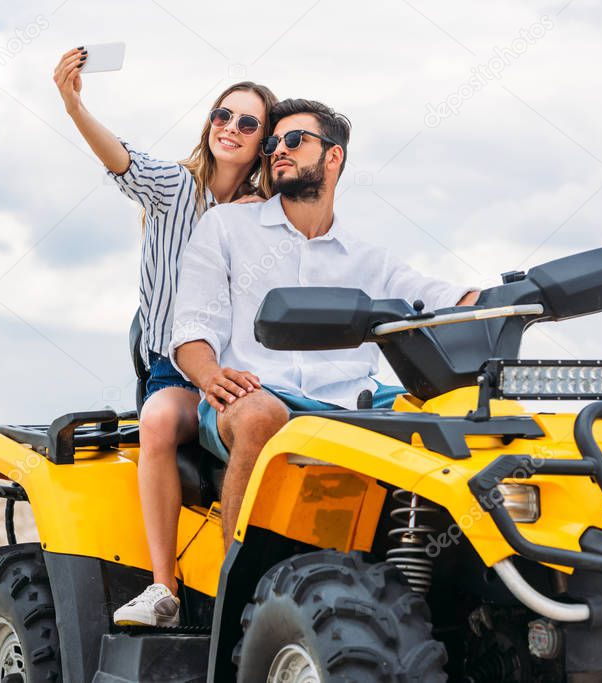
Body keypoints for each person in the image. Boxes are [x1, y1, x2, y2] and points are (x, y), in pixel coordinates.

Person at [171, 98, 481, 550]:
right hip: (249, 395)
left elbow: (445, 301)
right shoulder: (225, 227)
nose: (279, 149)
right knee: (262, 414)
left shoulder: (368, 258)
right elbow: (192, 330)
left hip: (352, 402)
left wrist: (508, 300)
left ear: (333, 156)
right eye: (274, 142)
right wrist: (212, 376)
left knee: (466, 416)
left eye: (294, 140)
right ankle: (238, 595)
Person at [52, 47, 278, 627]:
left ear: (262, 142)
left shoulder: (263, 214)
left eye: (247, 123)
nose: (230, 128)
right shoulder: (176, 190)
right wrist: (74, 104)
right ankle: (163, 588)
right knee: (155, 423)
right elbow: (121, 160)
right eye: (222, 116)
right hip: (178, 372)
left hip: (245, 369)